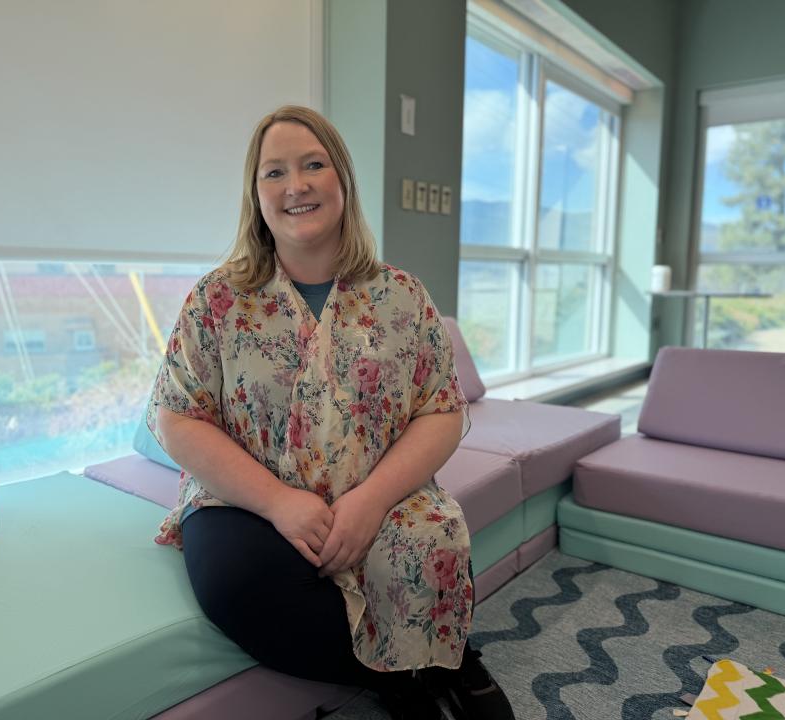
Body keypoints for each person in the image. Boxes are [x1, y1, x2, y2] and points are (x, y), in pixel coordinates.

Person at [148, 105, 515, 720]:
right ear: (255, 194)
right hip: (246, 494)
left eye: (313, 164)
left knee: (433, 542)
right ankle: (406, 678)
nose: (296, 185)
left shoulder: (401, 296)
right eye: (275, 172)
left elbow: (441, 409)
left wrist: (369, 502)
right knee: (241, 583)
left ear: (342, 180)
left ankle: (448, 657)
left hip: (375, 484)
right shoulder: (218, 298)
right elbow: (176, 417)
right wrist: (279, 502)